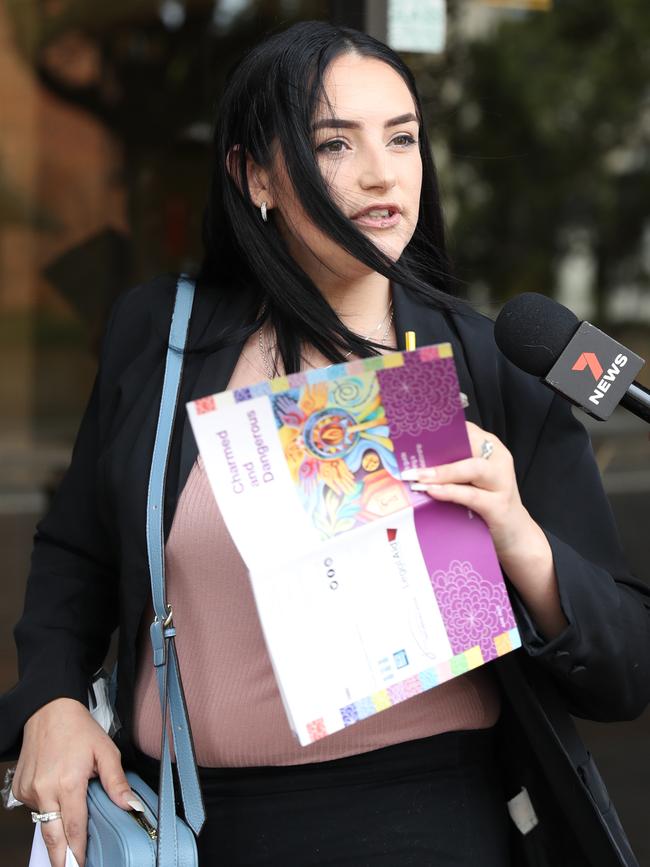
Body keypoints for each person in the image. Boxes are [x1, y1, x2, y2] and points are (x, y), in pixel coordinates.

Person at [1, 20, 649, 867]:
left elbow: (625, 668)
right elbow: (76, 553)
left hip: (432, 824)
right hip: (190, 823)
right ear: (255, 175)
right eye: (334, 144)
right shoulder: (161, 336)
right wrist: (49, 699)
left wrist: (517, 535)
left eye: (403, 138)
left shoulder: (489, 364)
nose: (383, 173)